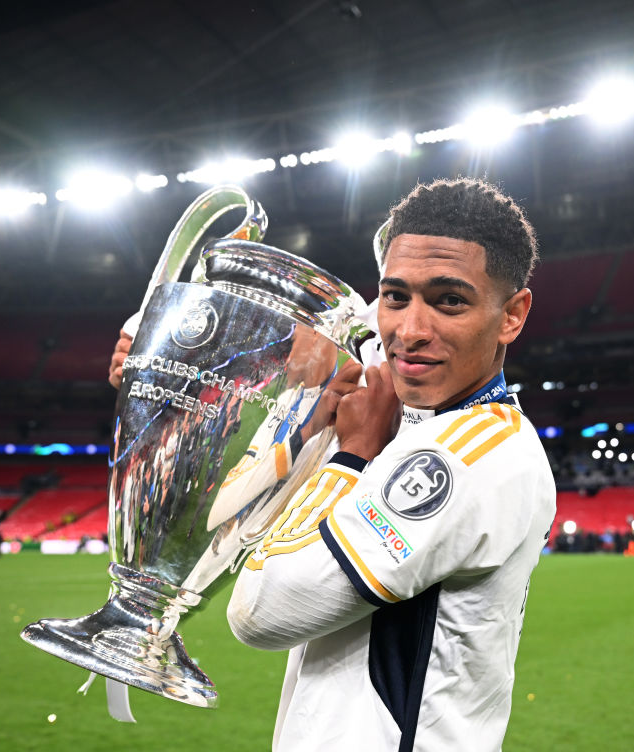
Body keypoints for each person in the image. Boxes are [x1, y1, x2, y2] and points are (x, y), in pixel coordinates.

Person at [227, 178, 557, 751]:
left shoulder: (475, 455)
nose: (409, 331)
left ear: (513, 315)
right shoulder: (413, 421)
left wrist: (349, 456)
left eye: (449, 300)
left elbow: (262, 610)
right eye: (396, 296)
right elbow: (230, 522)